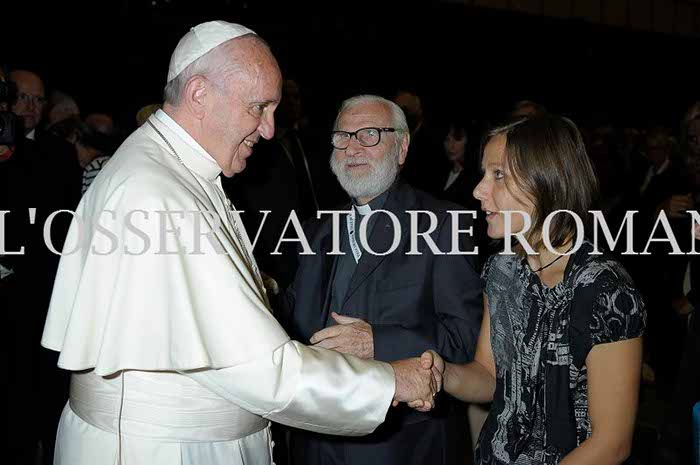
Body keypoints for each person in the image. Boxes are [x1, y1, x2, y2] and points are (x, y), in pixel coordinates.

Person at [40, 21, 440, 465]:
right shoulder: (157, 191)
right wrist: (391, 381)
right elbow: (262, 371)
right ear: (198, 95)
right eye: (258, 108)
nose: (269, 130)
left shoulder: (174, 170)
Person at [422, 115, 646, 464]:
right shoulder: (502, 269)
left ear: (545, 181)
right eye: (484, 174)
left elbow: (611, 443)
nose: (479, 190)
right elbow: (490, 376)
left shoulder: (604, 289)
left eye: (498, 175)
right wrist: (441, 373)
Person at [279, 94, 483, 465]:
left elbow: (466, 341)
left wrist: (380, 342)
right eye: (342, 136)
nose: (353, 147)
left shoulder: (442, 225)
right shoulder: (313, 233)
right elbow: (289, 324)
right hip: (314, 443)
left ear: (402, 147)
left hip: (403, 446)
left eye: (369, 134)